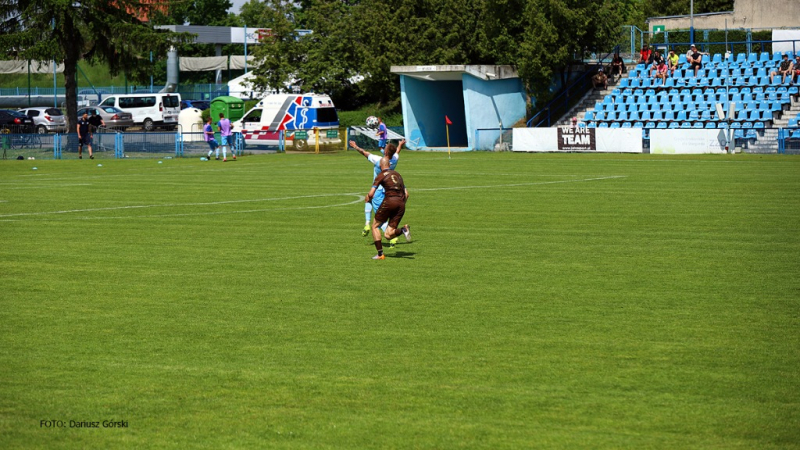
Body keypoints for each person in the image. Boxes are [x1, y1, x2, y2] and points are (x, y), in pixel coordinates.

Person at [350, 138, 404, 248]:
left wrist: (355, 146)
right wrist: (400, 145)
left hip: (378, 190)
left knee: (379, 218)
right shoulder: (395, 159)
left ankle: (393, 237)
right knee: (367, 199)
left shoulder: (378, 160)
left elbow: (365, 153)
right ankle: (366, 223)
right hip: (389, 189)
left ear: (385, 152)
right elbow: (397, 152)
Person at [366, 156, 411, 260]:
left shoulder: (380, 175)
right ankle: (403, 230)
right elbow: (407, 194)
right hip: (401, 204)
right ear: (389, 165)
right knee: (388, 235)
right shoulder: (398, 175)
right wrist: (400, 204)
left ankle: (380, 254)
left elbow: (371, 193)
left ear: (381, 166)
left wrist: (368, 198)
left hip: (389, 202)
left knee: (375, 226)